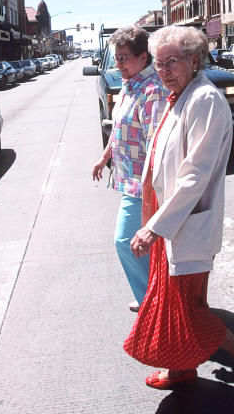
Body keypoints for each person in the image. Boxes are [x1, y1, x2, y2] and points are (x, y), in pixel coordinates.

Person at [123, 26, 234, 406]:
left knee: (189, 311)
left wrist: (154, 228)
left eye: (173, 61)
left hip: (183, 227)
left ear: (195, 60)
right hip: (167, 224)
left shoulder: (204, 99)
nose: (165, 70)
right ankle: (181, 367)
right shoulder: (177, 97)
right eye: (159, 63)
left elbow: (193, 175)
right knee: (168, 303)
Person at [92, 26, 170, 312]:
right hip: (129, 181)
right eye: (117, 58)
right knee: (139, 245)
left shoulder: (152, 91)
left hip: (144, 185)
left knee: (126, 241)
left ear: (144, 57)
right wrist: (104, 157)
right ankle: (152, 296)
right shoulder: (130, 84)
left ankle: (153, 302)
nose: (118, 64)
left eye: (124, 58)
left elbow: (156, 145)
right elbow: (119, 129)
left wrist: (152, 191)